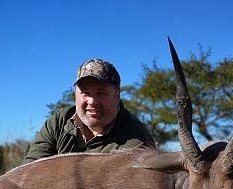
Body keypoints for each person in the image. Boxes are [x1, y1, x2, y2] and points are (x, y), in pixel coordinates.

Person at [25, 58, 155, 163]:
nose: (92, 102)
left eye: (102, 93)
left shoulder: (137, 142)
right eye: (85, 93)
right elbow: (29, 174)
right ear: (75, 94)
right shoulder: (58, 122)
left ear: (117, 96)